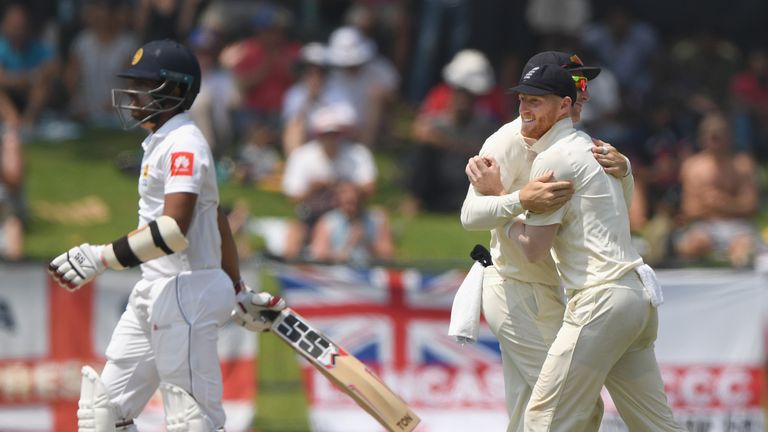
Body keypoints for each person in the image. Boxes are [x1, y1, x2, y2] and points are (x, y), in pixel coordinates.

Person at [47, 39, 285, 431]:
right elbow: (216, 218)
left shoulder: (185, 143)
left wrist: (100, 257)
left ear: (175, 90)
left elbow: (174, 231)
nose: (134, 96)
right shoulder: (162, 142)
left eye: (144, 86)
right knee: (103, 417)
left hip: (186, 293)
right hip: (157, 289)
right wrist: (237, 286)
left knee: (192, 423)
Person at [461, 51, 633, 432]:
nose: (584, 93)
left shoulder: (574, 146)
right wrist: (519, 199)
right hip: (514, 289)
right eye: (576, 83)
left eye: (583, 84)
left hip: (548, 291)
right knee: (573, 407)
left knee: (530, 411)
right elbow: (470, 214)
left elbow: (620, 217)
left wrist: (626, 172)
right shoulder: (506, 139)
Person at [505, 63, 683, 431]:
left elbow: (534, 249)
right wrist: (629, 170)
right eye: (523, 100)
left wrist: (502, 205)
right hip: (636, 299)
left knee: (544, 419)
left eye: (536, 101)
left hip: (601, 301)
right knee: (656, 425)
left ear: (563, 106)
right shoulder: (599, 149)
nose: (525, 109)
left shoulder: (554, 158)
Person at [674, 111, 760, 267]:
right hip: (706, 226)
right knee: (690, 246)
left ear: (729, 137)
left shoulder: (742, 165)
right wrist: (732, 205)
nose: (716, 142)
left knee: (745, 249)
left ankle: (739, 286)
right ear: (702, 138)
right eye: (713, 137)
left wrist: (721, 202)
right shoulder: (693, 167)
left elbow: (751, 206)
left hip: (738, 226)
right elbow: (690, 210)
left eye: (720, 137)